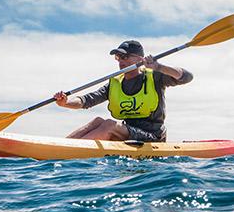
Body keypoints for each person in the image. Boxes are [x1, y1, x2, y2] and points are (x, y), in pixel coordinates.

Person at [53, 40, 193, 142]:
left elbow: (186, 77)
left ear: (139, 59)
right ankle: (61, 146)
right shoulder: (115, 83)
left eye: (125, 57)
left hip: (153, 135)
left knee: (109, 124)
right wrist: (65, 103)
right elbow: (87, 100)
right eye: (118, 57)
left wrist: (159, 67)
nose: (121, 61)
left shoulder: (154, 76)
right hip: (128, 132)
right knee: (97, 120)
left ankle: (71, 152)